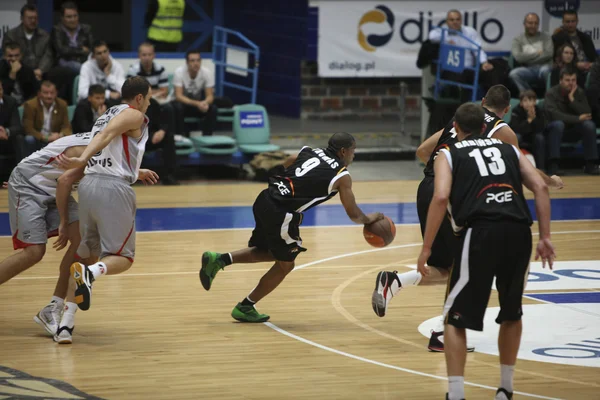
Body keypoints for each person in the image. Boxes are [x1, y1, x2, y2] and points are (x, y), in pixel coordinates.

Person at [371, 85, 562, 352]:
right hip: (450, 195)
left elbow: (423, 151)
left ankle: (395, 282)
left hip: (428, 185)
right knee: (465, 265)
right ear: (506, 110)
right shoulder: (501, 129)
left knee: (447, 267)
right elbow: (519, 169)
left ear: (483, 101)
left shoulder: (458, 121)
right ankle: (442, 331)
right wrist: (550, 181)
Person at [415, 102, 555, 400]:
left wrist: (426, 247)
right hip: (519, 232)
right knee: (511, 312)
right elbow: (540, 188)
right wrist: (545, 237)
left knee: (455, 317)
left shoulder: (448, 153)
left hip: (478, 232)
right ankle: (505, 388)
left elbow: (440, 198)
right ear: (485, 126)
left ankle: (456, 393)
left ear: (455, 128)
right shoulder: (510, 149)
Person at [199, 133, 385, 322]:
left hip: (265, 198)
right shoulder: (342, 176)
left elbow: (289, 161)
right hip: (281, 213)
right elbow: (354, 214)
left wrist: (288, 183)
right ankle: (246, 306)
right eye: (353, 149)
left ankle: (219, 260)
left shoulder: (311, 151)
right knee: (286, 264)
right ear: (343, 151)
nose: (354, 154)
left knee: (270, 252)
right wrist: (369, 219)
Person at [54, 77, 159, 343]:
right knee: (123, 258)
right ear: (137, 98)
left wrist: (136, 171)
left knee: (84, 255)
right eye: (148, 97)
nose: (149, 102)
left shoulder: (105, 113)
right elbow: (106, 137)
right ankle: (89, 275)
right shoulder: (133, 115)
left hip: (89, 186)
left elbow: (112, 149)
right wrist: (82, 157)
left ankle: (65, 326)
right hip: (111, 190)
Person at [0, 131, 93, 340]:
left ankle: (53, 307)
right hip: (30, 185)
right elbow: (64, 182)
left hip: (54, 187)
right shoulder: (88, 150)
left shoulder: (107, 143)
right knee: (34, 252)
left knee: (83, 241)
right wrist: (62, 221)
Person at [1, 4, 53, 82]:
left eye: (35, 18)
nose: (33, 21)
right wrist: (28, 72)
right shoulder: (11, 35)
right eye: (30, 18)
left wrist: (40, 70)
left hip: (40, 71)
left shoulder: (45, 36)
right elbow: (8, 57)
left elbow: (48, 56)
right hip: (20, 70)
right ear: (22, 18)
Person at [172, 50, 217, 137]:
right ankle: (181, 137)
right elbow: (178, 96)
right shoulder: (179, 72)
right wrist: (198, 104)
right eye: (192, 61)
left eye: (198, 60)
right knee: (178, 107)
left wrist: (205, 103)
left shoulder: (207, 72)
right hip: (182, 104)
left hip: (197, 104)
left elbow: (210, 96)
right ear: (187, 62)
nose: (196, 63)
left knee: (212, 108)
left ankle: (207, 138)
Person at [509, 13, 553, 93]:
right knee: (514, 74)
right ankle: (528, 97)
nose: (533, 25)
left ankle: (549, 98)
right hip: (527, 69)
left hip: (544, 67)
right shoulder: (518, 39)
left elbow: (549, 54)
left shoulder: (546, 37)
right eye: (530, 23)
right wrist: (538, 53)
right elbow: (518, 57)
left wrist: (526, 58)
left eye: (536, 23)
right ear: (524, 24)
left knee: (546, 70)